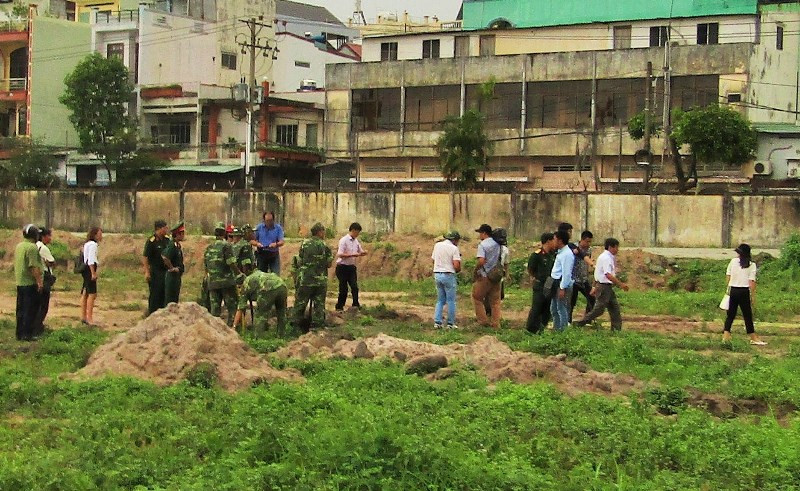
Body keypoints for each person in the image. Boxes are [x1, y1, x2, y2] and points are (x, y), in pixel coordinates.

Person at [575, 238, 629, 330]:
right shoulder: (606, 258)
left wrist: (593, 286)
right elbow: (607, 274)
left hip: (605, 286)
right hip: (604, 287)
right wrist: (621, 284)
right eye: (616, 247)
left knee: (614, 307)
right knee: (599, 310)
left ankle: (616, 329)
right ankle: (581, 323)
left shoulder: (605, 257)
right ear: (610, 247)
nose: (617, 250)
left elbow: (598, 272)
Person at [292, 222, 333, 331]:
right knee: (319, 305)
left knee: (300, 303)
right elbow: (329, 264)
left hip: (306, 279)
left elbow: (299, 260)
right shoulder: (325, 246)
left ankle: (295, 326)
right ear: (320, 232)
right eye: (323, 231)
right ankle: (317, 328)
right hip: (320, 281)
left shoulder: (304, 244)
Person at [722, 243, 766, 345]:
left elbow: (728, 276)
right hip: (744, 291)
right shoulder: (751, 265)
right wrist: (753, 296)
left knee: (730, 315)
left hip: (733, 290)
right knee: (747, 315)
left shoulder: (733, 262)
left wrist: (728, 288)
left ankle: (726, 335)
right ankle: (753, 336)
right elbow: (752, 282)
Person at [204, 222, 243, 326]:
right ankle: (231, 331)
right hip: (226, 282)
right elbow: (231, 263)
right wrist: (239, 274)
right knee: (232, 308)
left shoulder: (209, 247)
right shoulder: (226, 246)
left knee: (215, 311)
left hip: (212, 283)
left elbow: (206, 266)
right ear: (224, 233)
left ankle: (215, 332)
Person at [234, 270, 289, 337]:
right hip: (282, 286)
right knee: (281, 312)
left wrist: (234, 326)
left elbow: (240, 308)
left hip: (268, 288)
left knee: (260, 314)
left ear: (240, 285)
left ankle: (258, 337)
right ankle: (281, 335)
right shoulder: (253, 276)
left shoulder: (245, 285)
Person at [15, 224, 43, 341]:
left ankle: (19, 333)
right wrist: (39, 282)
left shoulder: (19, 246)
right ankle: (27, 334)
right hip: (29, 283)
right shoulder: (32, 248)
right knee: (30, 309)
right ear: (34, 235)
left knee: (20, 309)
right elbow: (33, 267)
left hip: (20, 282)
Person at [471, 224, 502, 329]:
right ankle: (496, 323)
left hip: (485, 275)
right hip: (496, 275)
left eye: (480, 233)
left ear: (484, 233)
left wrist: (475, 271)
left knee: (477, 297)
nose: (479, 235)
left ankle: (482, 321)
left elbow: (481, 261)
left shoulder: (483, 245)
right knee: (495, 301)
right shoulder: (498, 244)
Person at [525, 232, 557, 334]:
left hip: (550, 285)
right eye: (553, 240)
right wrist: (535, 278)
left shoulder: (553, 255)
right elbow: (531, 269)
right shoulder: (537, 255)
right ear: (548, 241)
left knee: (547, 309)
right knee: (537, 308)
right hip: (540, 285)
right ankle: (531, 329)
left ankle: (542, 328)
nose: (555, 243)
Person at [432, 231, 462, 329]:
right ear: (454, 240)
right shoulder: (454, 249)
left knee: (440, 300)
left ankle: (437, 322)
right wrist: (458, 270)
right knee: (451, 301)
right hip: (448, 275)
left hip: (437, 274)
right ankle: (450, 323)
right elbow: (456, 265)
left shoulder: (437, 245)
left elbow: (433, 260)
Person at [335, 222, 367, 312]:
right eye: (357, 232)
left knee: (354, 286)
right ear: (353, 230)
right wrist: (352, 255)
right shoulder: (343, 240)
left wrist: (363, 253)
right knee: (343, 288)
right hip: (342, 267)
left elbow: (360, 251)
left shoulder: (356, 241)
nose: (358, 234)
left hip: (351, 267)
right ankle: (339, 306)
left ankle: (355, 304)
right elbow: (340, 254)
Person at [142, 219, 170, 315]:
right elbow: (145, 257)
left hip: (165, 271)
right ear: (159, 229)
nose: (166, 229)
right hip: (155, 271)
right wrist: (146, 272)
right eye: (164, 228)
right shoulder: (151, 241)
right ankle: (152, 313)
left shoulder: (167, 240)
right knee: (155, 294)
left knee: (164, 293)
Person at [549, 230, 575, 331]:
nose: (553, 242)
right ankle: (556, 328)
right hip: (556, 283)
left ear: (560, 241)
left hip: (561, 284)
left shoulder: (567, 254)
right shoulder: (561, 253)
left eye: (554, 239)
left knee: (561, 308)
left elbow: (566, 273)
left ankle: (563, 330)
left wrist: (562, 287)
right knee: (554, 309)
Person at [570, 230, 596, 322]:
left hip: (584, 279)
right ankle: (568, 321)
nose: (589, 244)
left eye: (590, 241)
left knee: (592, 297)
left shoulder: (589, 250)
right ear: (582, 240)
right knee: (572, 301)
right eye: (587, 241)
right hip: (573, 279)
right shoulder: (573, 247)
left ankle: (587, 319)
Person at [34, 227, 56, 336]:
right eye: (49, 236)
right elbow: (52, 262)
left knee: (37, 304)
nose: (50, 238)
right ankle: (38, 327)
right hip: (45, 277)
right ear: (44, 236)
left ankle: (35, 326)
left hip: (36, 277)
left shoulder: (35, 246)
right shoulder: (43, 248)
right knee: (44, 305)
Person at [81, 226, 102, 327]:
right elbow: (91, 260)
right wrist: (93, 273)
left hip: (85, 269)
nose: (101, 236)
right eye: (99, 234)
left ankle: (83, 316)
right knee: (92, 294)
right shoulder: (93, 245)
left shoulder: (87, 244)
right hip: (90, 269)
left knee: (85, 293)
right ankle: (89, 318)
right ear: (95, 235)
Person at [162, 221, 186, 305]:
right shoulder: (172, 245)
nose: (183, 235)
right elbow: (165, 257)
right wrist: (172, 268)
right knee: (170, 300)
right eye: (182, 233)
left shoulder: (177, 245)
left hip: (176, 277)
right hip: (172, 277)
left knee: (175, 300)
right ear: (177, 234)